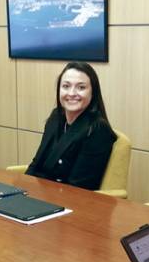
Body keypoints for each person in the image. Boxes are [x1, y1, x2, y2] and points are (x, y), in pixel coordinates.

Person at [25, 62, 116, 190]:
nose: (72, 93)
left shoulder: (97, 130)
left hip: (70, 203)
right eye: (66, 86)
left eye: (81, 87)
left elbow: (79, 188)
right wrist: (20, 192)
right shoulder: (56, 117)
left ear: (93, 92)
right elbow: (36, 164)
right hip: (41, 195)